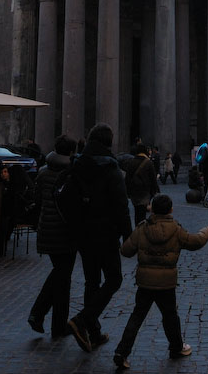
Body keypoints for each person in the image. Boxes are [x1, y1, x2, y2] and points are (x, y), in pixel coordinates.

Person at [112, 194, 208, 370]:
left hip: (145, 282)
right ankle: (176, 347)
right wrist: (206, 232)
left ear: (152, 208)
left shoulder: (143, 228)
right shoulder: (175, 229)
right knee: (170, 316)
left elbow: (126, 250)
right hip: (166, 283)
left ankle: (122, 352)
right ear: (171, 209)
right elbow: (195, 242)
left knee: (137, 316)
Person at [67, 123, 134, 353]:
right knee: (114, 279)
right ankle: (82, 320)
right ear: (108, 143)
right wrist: (128, 236)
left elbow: (68, 199)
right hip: (105, 234)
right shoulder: (110, 168)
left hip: (83, 235)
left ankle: (93, 334)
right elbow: (121, 205)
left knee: (91, 282)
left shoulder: (77, 166)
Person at [29, 135, 77, 339]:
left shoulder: (42, 172)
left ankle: (57, 326)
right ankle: (38, 313)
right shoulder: (72, 174)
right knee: (61, 275)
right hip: (65, 232)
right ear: (71, 152)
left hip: (46, 229)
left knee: (62, 277)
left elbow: (37, 200)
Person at [121, 145, 159, 226]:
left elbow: (127, 178)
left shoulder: (131, 162)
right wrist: (154, 191)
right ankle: (141, 231)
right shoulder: (148, 162)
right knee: (142, 213)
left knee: (137, 211)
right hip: (144, 191)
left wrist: (128, 192)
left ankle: (138, 229)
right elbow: (153, 178)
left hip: (134, 192)